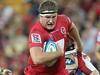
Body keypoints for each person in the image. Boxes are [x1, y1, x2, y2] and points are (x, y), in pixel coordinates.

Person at [24, 0, 98, 75]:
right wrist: (58, 53)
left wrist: (78, 43)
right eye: (47, 17)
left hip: (59, 71)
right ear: (40, 17)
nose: (51, 21)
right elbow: (37, 59)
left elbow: (71, 27)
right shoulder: (36, 32)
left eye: (53, 17)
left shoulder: (63, 20)